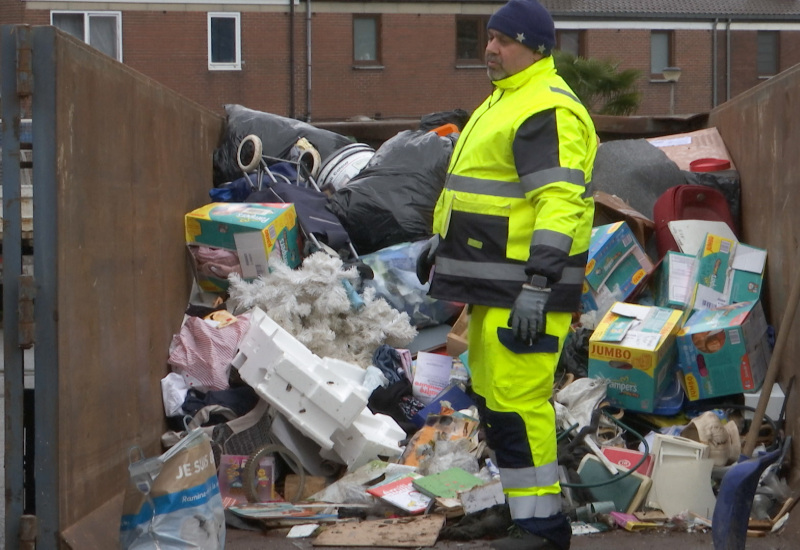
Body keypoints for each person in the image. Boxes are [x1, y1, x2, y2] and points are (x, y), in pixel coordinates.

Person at [417, 1, 597, 548]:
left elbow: (559, 203)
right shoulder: (508, 99)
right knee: (496, 405)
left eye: (504, 40)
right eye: (489, 38)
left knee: (520, 407)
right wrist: (440, 241)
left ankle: (544, 529)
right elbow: (486, 193)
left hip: (526, 292)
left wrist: (539, 286)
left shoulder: (546, 108)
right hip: (496, 289)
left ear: (537, 48)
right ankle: (516, 510)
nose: (490, 49)